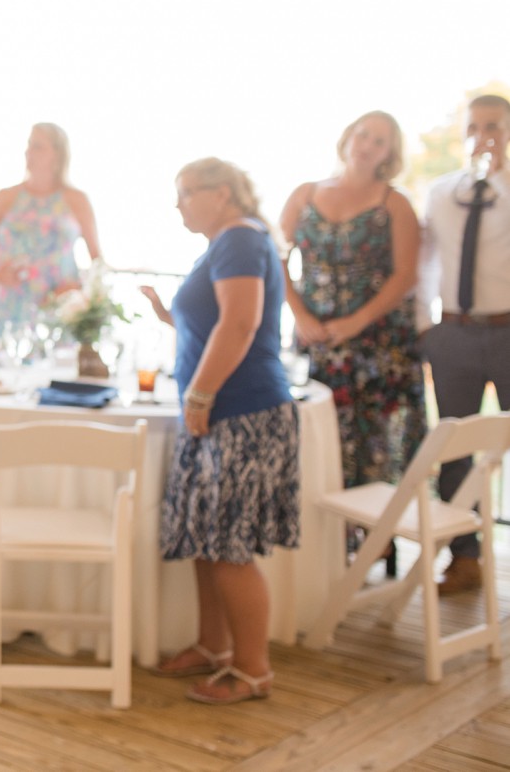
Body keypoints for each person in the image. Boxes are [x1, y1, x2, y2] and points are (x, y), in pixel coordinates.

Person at [140, 158, 298, 706]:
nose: (178, 203)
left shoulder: (239, 240)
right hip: (220, 412)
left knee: (229, 548)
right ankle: (213, 647)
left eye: (185, 192)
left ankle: (253, 670)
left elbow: (240, 323)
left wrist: (201, 393)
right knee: (208, 542)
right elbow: (215, 319)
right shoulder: (228, 243)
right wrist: (169, 316)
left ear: (222, 193)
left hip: (240, 412)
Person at [278, 112, 426, 520]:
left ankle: (372, 539)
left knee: (371, 441)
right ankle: (318, 537)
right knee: (317, 435)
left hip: (377, 343)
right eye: (363, 134)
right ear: (347, 138)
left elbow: (406, 275)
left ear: (389, 154)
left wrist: (355, 323)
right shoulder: (304, 194)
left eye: (379, 141)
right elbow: (276, 258)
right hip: (314, 338)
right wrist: (301, 314)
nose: (367, 145)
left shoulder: (395, 204)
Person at [417, 92, 510, 595]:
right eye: (475, 127)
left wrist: (498, 174)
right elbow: (425, 261)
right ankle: (464, 558)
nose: (483, 135)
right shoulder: (440, 192)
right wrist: (423, 326)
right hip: (452, 333)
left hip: (507, 329)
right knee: (454, 445)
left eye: (493, 126)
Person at [0, 122, 101, 331]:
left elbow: (98, 263)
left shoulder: (77, 200)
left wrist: (76, 287)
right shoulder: (5, 197)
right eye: (28, 144)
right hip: (6, 309)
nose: (28, 152)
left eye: (37, 146)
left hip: (56, 312)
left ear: (57, 154)